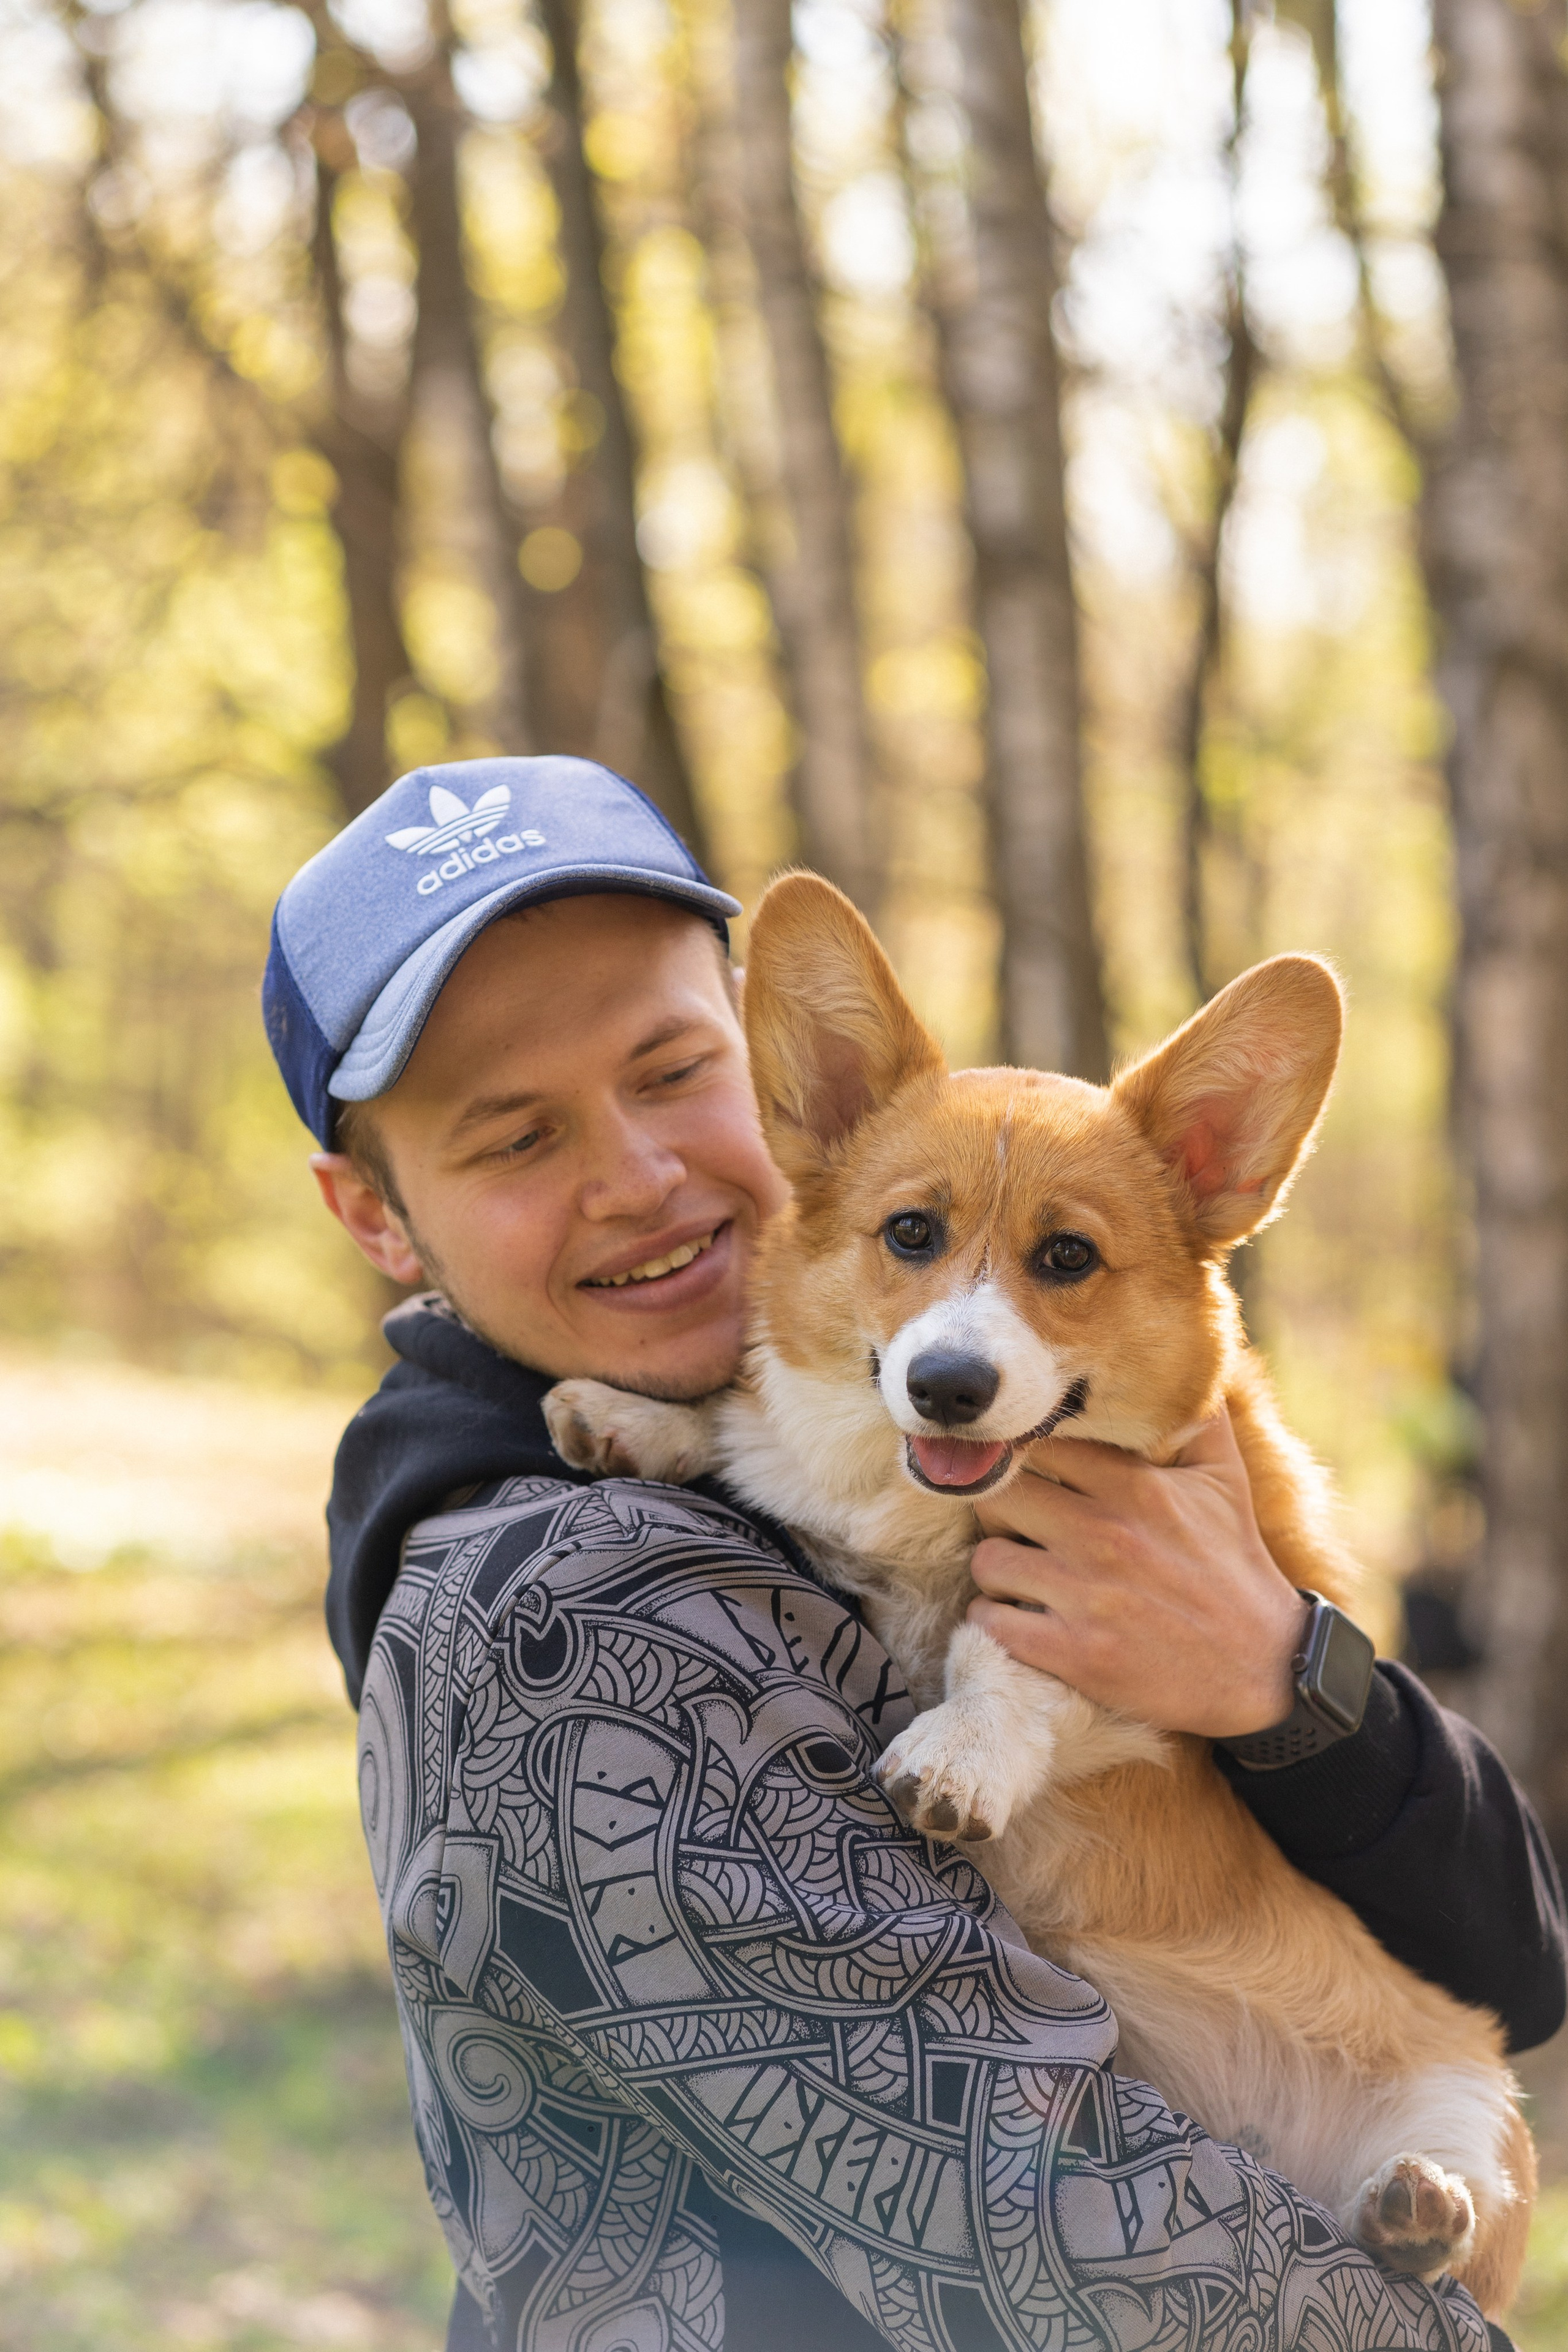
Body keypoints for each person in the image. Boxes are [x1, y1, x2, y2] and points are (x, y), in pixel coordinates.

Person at [265, 755, 1562, 2352]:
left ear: (776, 1071)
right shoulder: (569, 1613)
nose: (643, 1174)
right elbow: (1052, 2235)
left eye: (675, 1071)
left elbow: (1511, 1951)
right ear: (377, 1218)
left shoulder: (895, 1440)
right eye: (517, 1137)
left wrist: (1280, 1679)